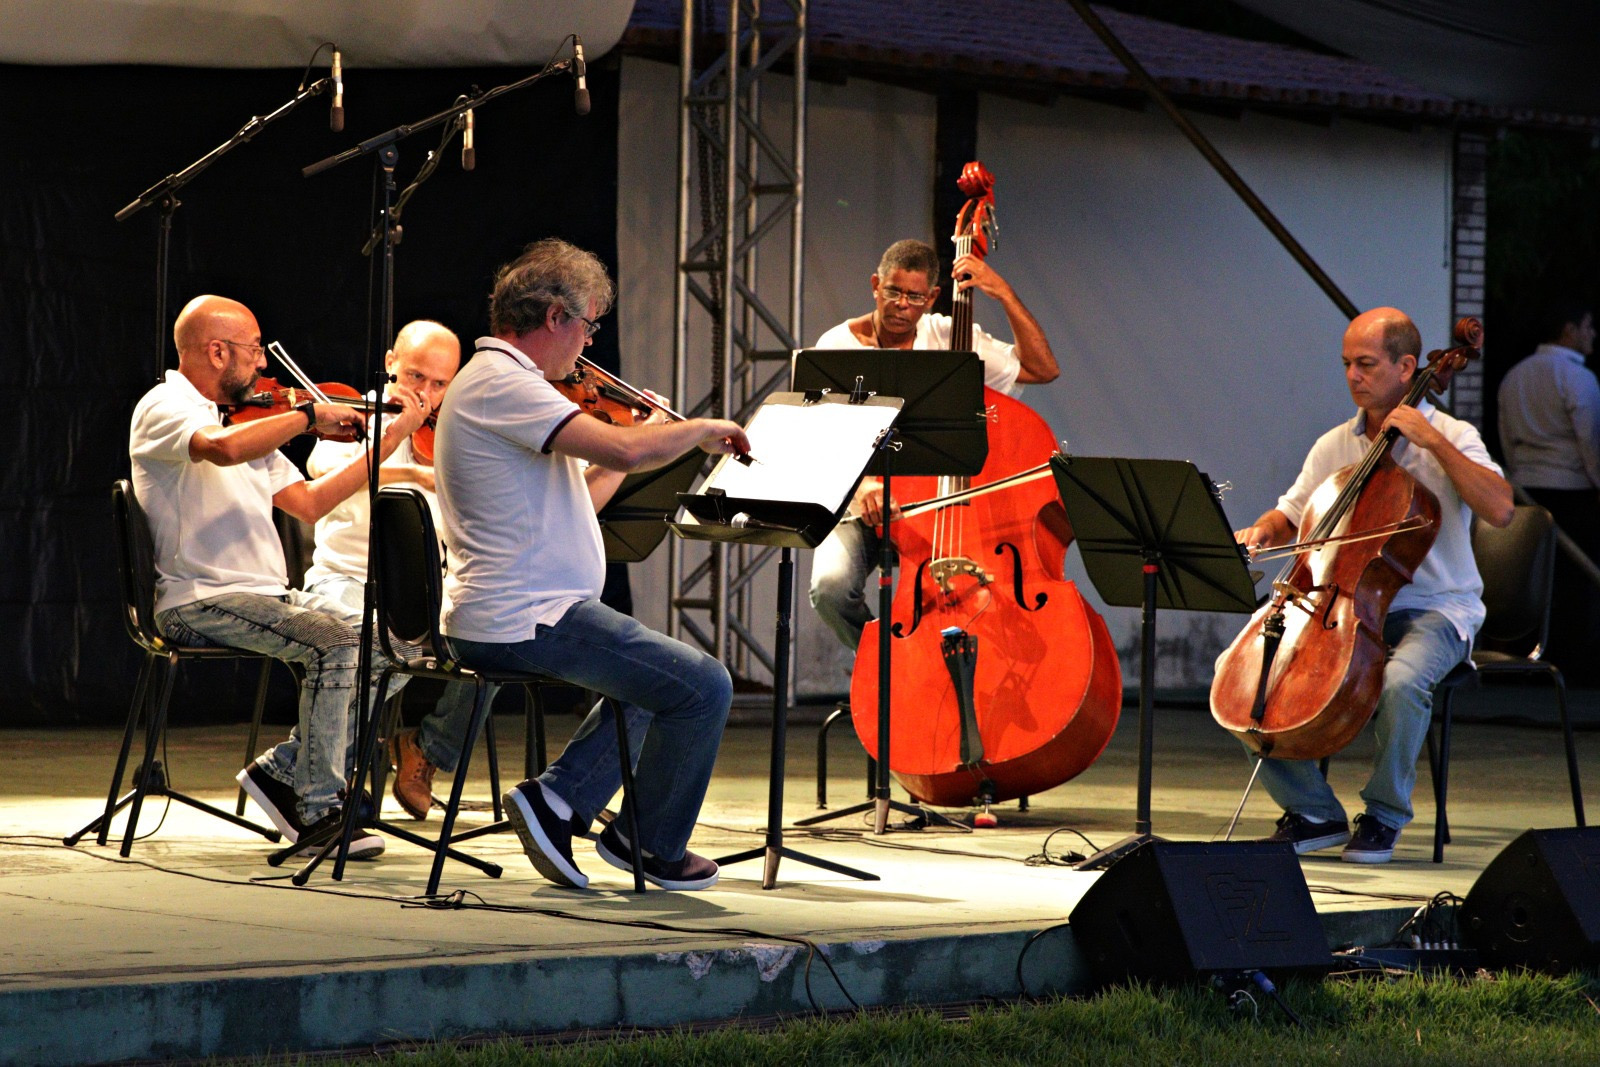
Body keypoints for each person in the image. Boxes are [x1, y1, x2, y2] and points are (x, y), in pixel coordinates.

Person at [432, 237, 749, 890]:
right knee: (706, 685)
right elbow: (625, 452)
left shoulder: (506, 384)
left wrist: (644, 437)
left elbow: (597, 477)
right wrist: (691, 430)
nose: (589, 344)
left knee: (660, 679)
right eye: (588, 325)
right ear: (554, 318)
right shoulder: (502, 382)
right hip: (526, 616)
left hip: (526, 609)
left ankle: (559, 802)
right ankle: (646, 843)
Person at [129, 295, 429, 859]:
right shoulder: (166, 405)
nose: (264, 366)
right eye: (252, 351)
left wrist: (392, 435)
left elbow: (311, 503)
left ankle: (283, 770)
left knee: (394, 647)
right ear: (217, 352)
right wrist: (308, 417)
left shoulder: (249, 421)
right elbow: (218, 451)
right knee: (335, 643)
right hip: (201, 599)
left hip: (267, 600)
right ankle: (317, 811)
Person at [1229, 307, 1514, 863]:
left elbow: (1501, 510)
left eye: (1366, 363)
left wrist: (1432, 442)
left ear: (1409, 366)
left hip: (1436, 608)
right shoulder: (1334, 443)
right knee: (1242, 674)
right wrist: (1264, 530)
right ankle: (1313, 811)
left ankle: (1383, 817)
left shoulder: (1453, 435)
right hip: (1342, 604)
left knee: (1402, 681)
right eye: (1346, 364)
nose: (1353, 376)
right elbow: (1292, 512)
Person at [808, 238, 1061, 649]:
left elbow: (1042, 368)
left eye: (914, 296)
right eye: (892, 291)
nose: (902, 304)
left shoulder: (949, 336)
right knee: (829, 588)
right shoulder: (838, 345)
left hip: (934, 507)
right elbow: (817, 441)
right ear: (875, 285)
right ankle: (888, 662)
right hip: (860, 501)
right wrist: (864, 486)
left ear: (932, 298)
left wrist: (1003, 293)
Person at [301, 319, 475, 820]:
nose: (425, 394)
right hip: (346, 579)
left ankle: (426, 750)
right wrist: (411, 466)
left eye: (440, 384)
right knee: (380, 646)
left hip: (426, 594)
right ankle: (333, 770)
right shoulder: (355, 414)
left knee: (503, 638)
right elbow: (324, 474)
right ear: (390, 363)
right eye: (416, 377)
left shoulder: (454, 431)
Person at [1496, 299, 1600, 683]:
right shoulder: (1578, 378)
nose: (1592, 334)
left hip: (1526, 492)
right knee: (1573, 584)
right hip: (1572, 491)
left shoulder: (1515, 375)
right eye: (1588, 326)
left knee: (1531, 578)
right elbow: (1589, 439)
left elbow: (1506, 436)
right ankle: (1572, 663)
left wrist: (1519, 478)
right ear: (1568, 330)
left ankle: (1522, 660)